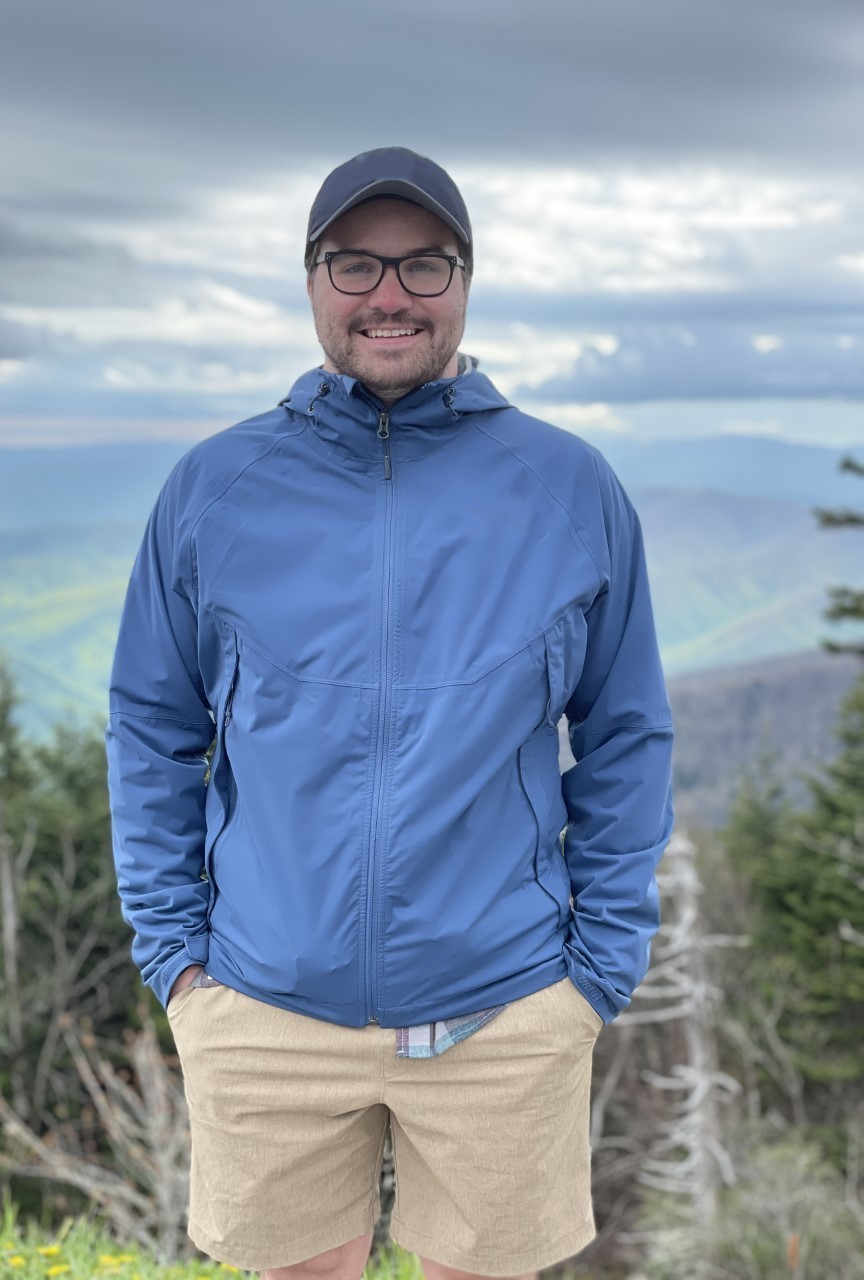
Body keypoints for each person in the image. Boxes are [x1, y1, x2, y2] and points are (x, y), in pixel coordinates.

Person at [106, 146, 674, 1279]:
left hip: (505, 1010)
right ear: (312, 279)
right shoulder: (213, 489)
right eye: (356, 262)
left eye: (426, 265)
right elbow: (150, 725)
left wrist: (597, 969)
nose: (390, 295)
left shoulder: (569, 486)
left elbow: (625, 730)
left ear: (466, 281)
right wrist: (178, 958)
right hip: (265, 1006)